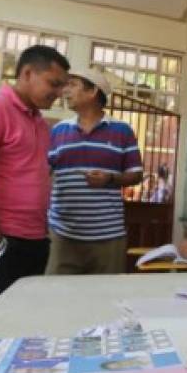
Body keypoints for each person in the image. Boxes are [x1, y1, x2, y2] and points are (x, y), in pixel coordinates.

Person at [0, 45, 70, 317]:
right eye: (53, 84)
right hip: (0, 239)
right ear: (28, 73)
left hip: (33, 239)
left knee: (20, 319)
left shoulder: (41, 124)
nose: (58, 94)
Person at [46, 66, 143, 274]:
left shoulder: (122, 131)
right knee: (56, 298)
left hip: (108, 237)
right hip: (62, 235)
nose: (65, 91)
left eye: (73, 85)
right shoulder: (58, 130)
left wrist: (110, 179)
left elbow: (137, 175)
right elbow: (44, 173)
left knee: (103, 300)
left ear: (92, 92)